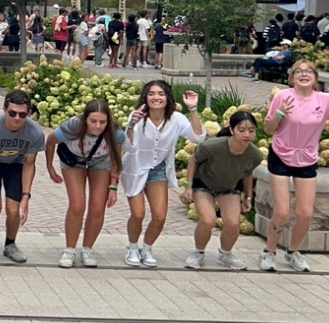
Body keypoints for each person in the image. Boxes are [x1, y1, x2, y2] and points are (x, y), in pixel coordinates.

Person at [260, 61, 329, 272]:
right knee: (282, 211)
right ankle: (269, 252)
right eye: (299, 71)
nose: (304, 74)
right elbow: (268, 129)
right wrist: (279, 113)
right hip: (281, 154)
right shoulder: (283, 96)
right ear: (292, 77)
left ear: (315, 78)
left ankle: (292, 252)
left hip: (307, 158)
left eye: (309, 71)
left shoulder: (324, 100)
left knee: (306, 213)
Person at [122, 81, 203, 267]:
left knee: (159, 216)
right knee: (138, 214)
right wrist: (130, 126)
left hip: (158, 169)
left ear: (167, 97)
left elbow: (198, 136)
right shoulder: (137, 117)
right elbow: (127, 145)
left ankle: (146, 248)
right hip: (134, 168)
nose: (156, 98)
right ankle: (132, 247)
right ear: (145, 97)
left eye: (161, 94)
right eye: (151, 94)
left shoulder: (176, 118)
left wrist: (193, 109)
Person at [45, 99, 126, 268]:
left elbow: (116, 160)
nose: (97, 126)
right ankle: (70, 249)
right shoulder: (73, 126)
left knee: (98, 205)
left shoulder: (116, 133)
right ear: (85, 119)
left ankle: (88, 248)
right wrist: (50, 167)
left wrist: (113, 187)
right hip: (74, 160)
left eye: (102, 122)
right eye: (93, 121)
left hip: (100, 161)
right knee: (77, 204)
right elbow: (51, 141)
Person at [181, 111, 262, 270]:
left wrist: (248, 198)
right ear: (231, 130)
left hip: (229, 187)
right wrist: (188, 186)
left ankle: (225, 254)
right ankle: (199, 253)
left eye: (251, 130)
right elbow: (194, 160)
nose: (247, 134)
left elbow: (248, 174)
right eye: (241, 130)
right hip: (203, 183)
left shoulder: (255, 155)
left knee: (232, 223)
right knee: (208, 219)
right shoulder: (212, 146)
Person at [0, 92, 44, 263]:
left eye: (22, 114)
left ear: (29, 114)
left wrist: (26, 195)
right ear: (4, 110)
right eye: (12, 113)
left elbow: (29, 164)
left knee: (14, 210)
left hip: (15, 166)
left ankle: (10, 244)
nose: (17, 118)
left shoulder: (35, 133)